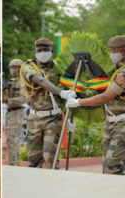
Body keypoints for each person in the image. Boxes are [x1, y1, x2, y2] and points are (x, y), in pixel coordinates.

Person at [66, 35, 125, 175]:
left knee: (112, 167)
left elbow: (105, 97)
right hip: (113, 122)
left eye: (115, 51)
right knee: (107, 168)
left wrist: (78, 102)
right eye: (110, 51)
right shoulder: (119, 68)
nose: (112, 54)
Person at [21, 38, 77, 169]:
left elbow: (70, 94)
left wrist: (69, 117)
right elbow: (40, 81)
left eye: (45, 50)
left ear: (51, 51)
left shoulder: (60, 68)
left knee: (50, 158)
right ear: (35, 52)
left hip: (53, 118)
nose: (42, 53)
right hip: (34, 119)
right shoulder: (28, 66)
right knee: (33, 160)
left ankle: (53, 188)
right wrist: (61, 92)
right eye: (39, 50)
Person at [3, 59, 28, 166]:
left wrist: (9, 100)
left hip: (17, 112)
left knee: (12, 139)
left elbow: (25, 98)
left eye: (16, 67)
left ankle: (14, 165)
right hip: (10, 112)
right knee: (10, 140)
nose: (13, 70)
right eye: (12, 67)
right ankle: (14, 164)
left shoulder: (21, 82)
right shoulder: (12, 82)